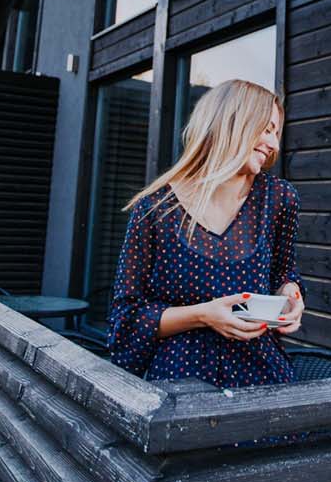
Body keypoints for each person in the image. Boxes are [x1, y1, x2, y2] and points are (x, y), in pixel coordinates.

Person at [108, 79, 304, 387]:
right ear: (232, 124)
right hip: (180, 383)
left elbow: (284, 273)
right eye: (267, 130)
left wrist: (291, 297)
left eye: (276, 133)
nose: (274, 145)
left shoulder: (279, 198)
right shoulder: (155, 210)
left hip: (262, 379)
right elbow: (126, 321)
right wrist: (203, 315)